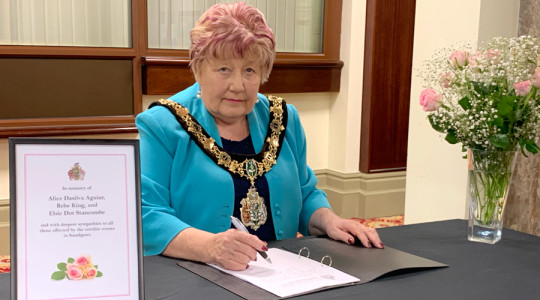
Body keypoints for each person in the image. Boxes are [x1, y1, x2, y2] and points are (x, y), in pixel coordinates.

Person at [136, 2, 383, 271]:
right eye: (224, 69)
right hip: (199, 273)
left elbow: (304, 193)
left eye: (250, 70)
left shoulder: (283, 118)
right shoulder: (163, 124)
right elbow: (147, 213)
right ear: (198, 69)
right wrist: (210, 247)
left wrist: (328, 220)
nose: (238, 85)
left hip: (279, 274)